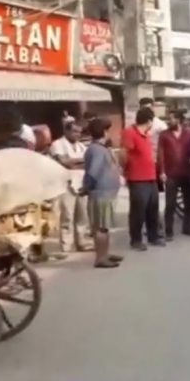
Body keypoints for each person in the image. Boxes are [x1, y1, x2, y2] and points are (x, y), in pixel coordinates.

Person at [81, 118, 123, 268]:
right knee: (101, 227)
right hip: (101, 193)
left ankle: (104, 254)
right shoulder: (96, 150)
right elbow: (93, 172)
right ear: (104, 131)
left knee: (104, 226)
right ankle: (101, 258)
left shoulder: (100, 148)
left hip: (106, 193)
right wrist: (87, 187)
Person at [122, 107, 165, 250]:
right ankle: (136, 240)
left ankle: (153, 236)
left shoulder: (146, 135)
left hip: (150, 177)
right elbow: (124, 154)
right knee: (138, 211)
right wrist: (124, 172)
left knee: (152, 209)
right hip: (137, 178)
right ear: (149, 121)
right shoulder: (130, 133)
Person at [50, 121, 93, 253]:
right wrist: (80, 161)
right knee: (67, 215)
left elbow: (89, 162)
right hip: (66, 183)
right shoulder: (57, 144)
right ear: (66, 131)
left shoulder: (81, 146)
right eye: (74, 131)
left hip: (81, 183)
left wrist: (74, 162)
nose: (77, 135)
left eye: (79, 132)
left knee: (82, 215)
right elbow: (64, 162)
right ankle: (66, 245)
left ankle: (81, 242)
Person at [158, 110, 190, 240]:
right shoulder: (164, 135)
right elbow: (161, 154)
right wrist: (162, 171)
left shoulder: (189, 134)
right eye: (169, 119)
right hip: (171, 173)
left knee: (189, 202)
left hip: (187, 171)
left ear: (180, 120)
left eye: (173, 119)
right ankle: (168, 231)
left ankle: (188, 228)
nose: (170, 121)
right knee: (170, 203)